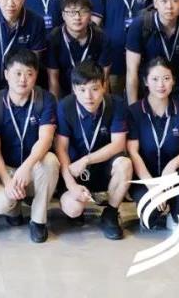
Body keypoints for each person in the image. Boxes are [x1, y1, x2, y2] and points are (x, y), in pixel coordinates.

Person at [0, 49, 60, 243]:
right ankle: (14, 210)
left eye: (29, 73)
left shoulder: (45, 100)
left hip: (33, 168)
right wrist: (7, 180)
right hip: (6, 170)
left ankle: (38, 220)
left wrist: (27, 167)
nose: (23, 79)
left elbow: (46, 140)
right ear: (6, 74)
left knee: (51, 161)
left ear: (36, 75)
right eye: (17, 73)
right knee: (1, 203)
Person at [55, 60, 132, 240]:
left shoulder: (116, 104)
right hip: (74, 171)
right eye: (82, 90)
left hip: (102, 168)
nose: (88, 96)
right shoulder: (65, 106)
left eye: (94, 89)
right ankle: (78, 206)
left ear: (104, 86)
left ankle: (110, 213)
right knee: (73, 209)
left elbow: (118, 144)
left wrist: (87, 160)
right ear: (74, 89)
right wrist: (71, 185)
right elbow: (61, 149)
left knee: (125, 164)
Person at [126, 57, 179, 231]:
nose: (161, 84)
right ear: (146, 81)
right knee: (150, 218)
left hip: (173, 176)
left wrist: (172, 166)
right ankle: (153, 209)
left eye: (166, 78)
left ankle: (175, 215)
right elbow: (133, 152)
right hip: (145, 178)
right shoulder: (134, 111)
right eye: (155, 79)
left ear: (173, 81)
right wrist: (152, 186)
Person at [90, 0, 154, 95]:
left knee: (142, 102)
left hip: (144, 58)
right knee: (115, 101)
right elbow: (94, 25)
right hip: (113, 60)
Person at [45, 0, 113, 99]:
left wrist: (102, 106)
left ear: (90, 14)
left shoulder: (102, 38)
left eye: (83, 11)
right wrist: (57, 107)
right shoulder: (53, 39)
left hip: (92, 93)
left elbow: (104, 79)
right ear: (63, 15)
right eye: (72, 12)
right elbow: (53, 79)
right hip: (64, 92)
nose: (77, 17)